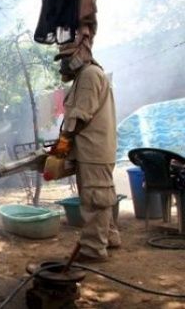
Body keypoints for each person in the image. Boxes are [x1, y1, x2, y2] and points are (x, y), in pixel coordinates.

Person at [53, 46, 121, 263]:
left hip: (93, 149)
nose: (63, 64)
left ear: (81, 55)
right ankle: (109, 237)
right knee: (98, 196)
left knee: (95, 199)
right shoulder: (85, 75)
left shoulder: (89, 75)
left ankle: (93, 249)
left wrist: (63, 145)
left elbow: (80, 116)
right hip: (91, 149)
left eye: (66, 58)